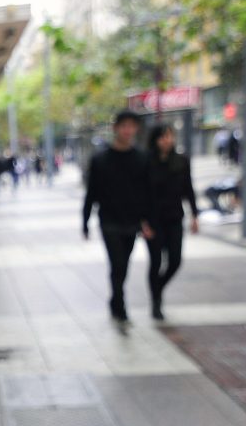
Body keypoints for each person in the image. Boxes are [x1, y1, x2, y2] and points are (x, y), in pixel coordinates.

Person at [82, 110, 148, 324]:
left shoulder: (141, 157)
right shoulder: (100, 159)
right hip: (109, 220)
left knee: (123, 265)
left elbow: (146, 193)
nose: (127, 130)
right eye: (124, 126)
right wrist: (84, 221)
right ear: (116, 128)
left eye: (131, 126)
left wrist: (146, 220)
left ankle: (115, 299)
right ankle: (120, 305)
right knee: (117, 263)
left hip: (132, 222)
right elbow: (91, 192)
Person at [142, 124, 199, 321]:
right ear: (155, 140)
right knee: (156, 262)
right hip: (152, 220)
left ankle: (157, 288)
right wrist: (142, 222)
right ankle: (156, 303)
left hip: (175, 218)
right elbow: (139, 195)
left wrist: (195, 215)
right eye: (162, 137)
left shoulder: (182, 161)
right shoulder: (146, 162)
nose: (166, 140)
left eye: (169, 136)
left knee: (175, 261)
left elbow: (189, 189)